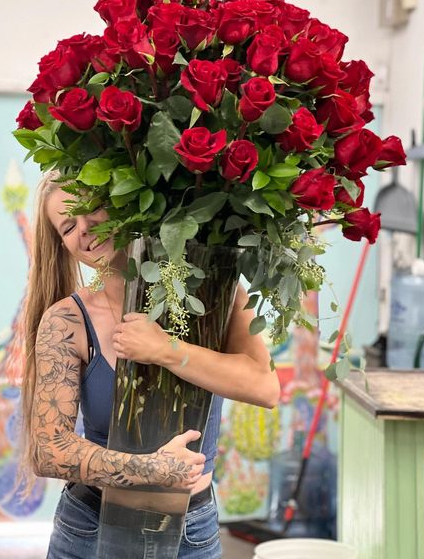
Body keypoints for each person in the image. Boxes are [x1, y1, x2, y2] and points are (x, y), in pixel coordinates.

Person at [20, 171, 280, 559]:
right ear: (63, 245)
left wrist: (165, 349)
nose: (85, 230)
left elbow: (265, 389)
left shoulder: (215, 292)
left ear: (124, 205)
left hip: (192, 530)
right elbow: (48, 450)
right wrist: (154, 471)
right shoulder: (67, 321)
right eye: (68, 226)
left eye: (91, 210)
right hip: (91, 526)